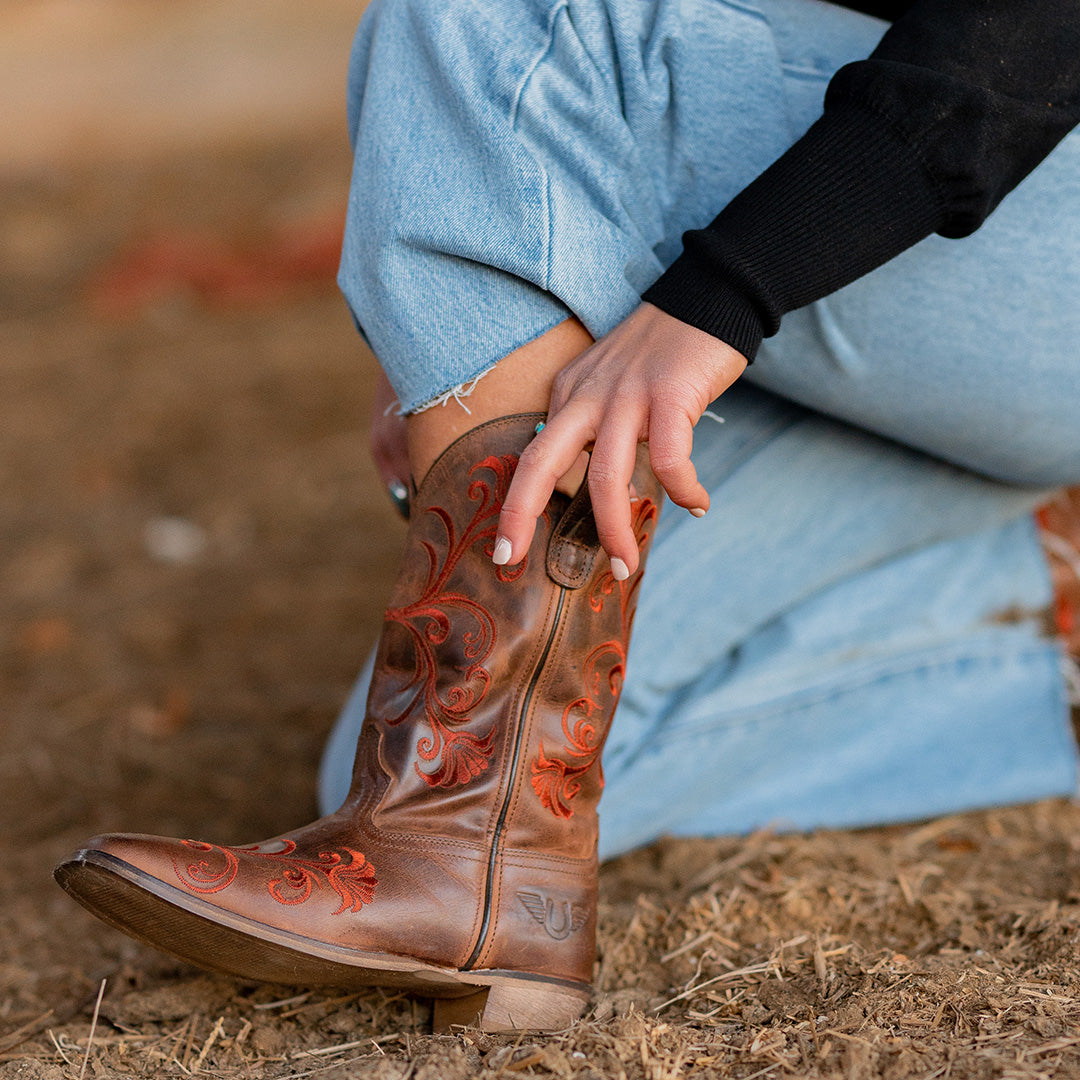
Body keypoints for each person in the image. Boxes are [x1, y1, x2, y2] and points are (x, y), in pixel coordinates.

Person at [57, 0, 1080, 1033]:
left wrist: (729, 288)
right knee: (463, 785)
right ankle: (1041, 599)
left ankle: (450, 860)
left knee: (480, 20)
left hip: (1021, 181)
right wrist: (461, 272)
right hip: (961, 320)